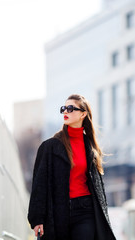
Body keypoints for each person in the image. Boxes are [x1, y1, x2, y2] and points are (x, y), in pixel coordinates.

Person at [28, 94, 116, 240]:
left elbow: (98, 188)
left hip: (85, 212)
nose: (66, 112)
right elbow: (39, 184)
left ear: (83, 114)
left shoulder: (91, 148)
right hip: (57, 212)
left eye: (70, 108)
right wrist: (37, 218)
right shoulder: (49, 147)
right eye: (64, 108)